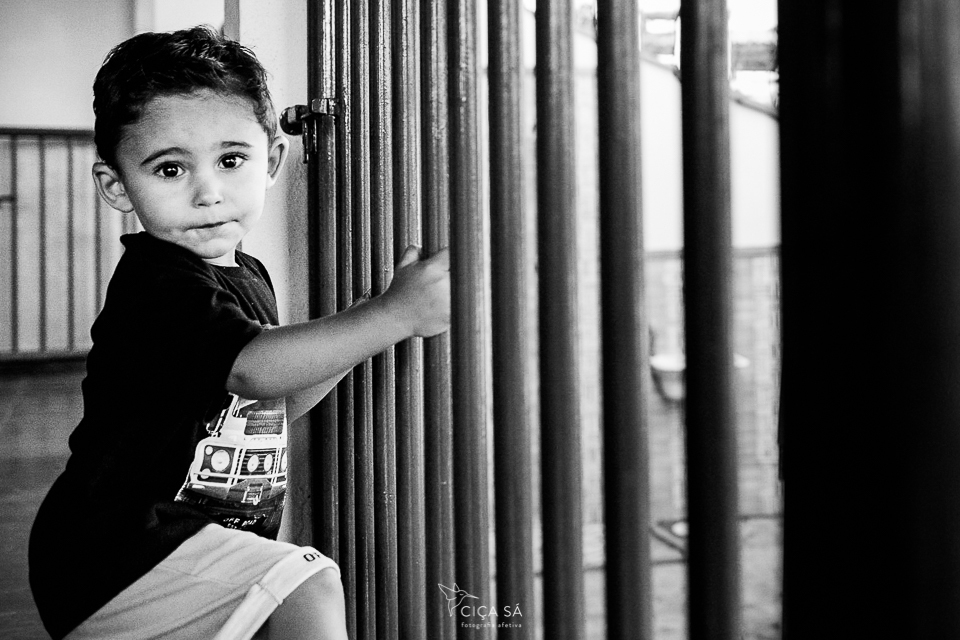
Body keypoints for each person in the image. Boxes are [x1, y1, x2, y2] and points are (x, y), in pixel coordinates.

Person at [28, 25, 450, 640]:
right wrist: (392, 316)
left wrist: (365, 332)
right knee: (305, 581)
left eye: (231, 160)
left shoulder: (246, 274)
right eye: (170, 169)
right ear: (117, 186)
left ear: (271, 160)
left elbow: (267, 404)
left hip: (176, 550)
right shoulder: (158, 283)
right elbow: (253, 369)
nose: (208, 193)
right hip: (115, 551)